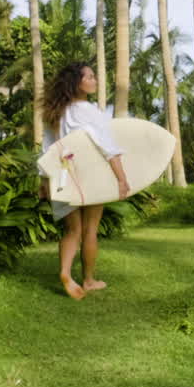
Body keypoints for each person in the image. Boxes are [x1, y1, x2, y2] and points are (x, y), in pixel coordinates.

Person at [40, 62, 130, 300]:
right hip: (90, 171)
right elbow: (107, 147)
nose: (94, 80)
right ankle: (89, 280)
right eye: (89, 77)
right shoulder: (89, 110)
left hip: (62, 171)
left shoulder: (54, 112)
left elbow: (47, 149)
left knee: (72, 230)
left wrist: (43, 181)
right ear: (76, 83)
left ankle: (65, 273)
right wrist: (122, 179)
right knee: (90, 229)